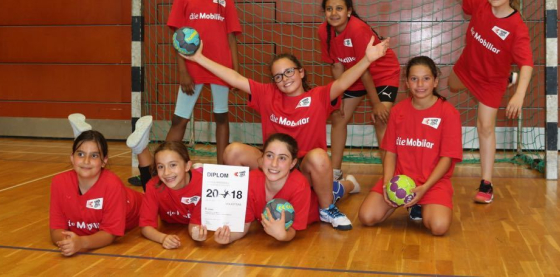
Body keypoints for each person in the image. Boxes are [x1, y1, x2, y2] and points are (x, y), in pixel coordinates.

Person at [179, 37, 390, 230]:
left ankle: (329, 206)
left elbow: (343, 82)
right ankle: (237, 205)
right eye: (278, 76)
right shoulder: (267, 94)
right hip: (273, 164)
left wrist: (367, 59)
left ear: (301, 72)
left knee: (319, 158)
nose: (284, 79)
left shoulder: (318, 97)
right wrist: (198, 58)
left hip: (304, 169)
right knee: (232, 151)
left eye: (289, 72)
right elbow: (234, 78)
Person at [443, 0, 533, 203]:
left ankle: (486, 183)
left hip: (491, 82)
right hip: (468, 66)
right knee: (451, 85)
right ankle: (509, 78)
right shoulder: (481, 3)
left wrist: (519, 94)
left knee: (485, 126)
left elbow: (527, 64)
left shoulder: (517, 27)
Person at [358, 56, 463, 236]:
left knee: (438, 227)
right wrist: (387, 184)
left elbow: (447, 159)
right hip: (400, 180)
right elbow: (390, 152)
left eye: (426, 78)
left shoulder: (448, 113)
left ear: (435, 81)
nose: (420, 84)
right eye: (414, 78)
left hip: (432, 183)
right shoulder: (398, 111)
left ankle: (419, 206)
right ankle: (409, 203)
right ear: (406, 83)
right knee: (367, 217)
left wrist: (425, 187)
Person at [211, 133, 358, 244]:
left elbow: (292, 230)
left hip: (313, 204)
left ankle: (350, 184)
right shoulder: (249, 182)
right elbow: (244, 224)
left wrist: (282, 236)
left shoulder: (299, 186)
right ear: (261, 159)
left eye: (282, 158)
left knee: (334, 191)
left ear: (293, 163)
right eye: (269, 156)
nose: (274, 164)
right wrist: (228, 237)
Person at [166, 0, 242, 164]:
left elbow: (231, 38)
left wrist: (235, 73)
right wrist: (183, 70)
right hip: (192, 67)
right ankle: (162, 166)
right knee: (179, 119)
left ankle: (222, 169)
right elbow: (178, 38)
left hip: (221, 68)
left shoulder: (226, 1)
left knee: (221, 117)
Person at [318, 0, 401, 180]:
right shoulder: (324, 32)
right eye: (329, 9)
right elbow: (336, 65)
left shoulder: (357, 29)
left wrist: (376, 103)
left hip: (382, 74)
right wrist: (339, 97)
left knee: (381, 118)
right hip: (356, 75)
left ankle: (389, 178)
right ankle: (335, 173)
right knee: (338, 117)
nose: (334, 13)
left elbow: (366, 69)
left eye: (339, 8)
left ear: (349, 11)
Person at [49, 129, 143, 256]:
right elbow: (56, 229)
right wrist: (68, 242)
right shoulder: (59, 183)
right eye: (80, 154)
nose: (86, 161)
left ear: (104, 161)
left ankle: (142, 148)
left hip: (143, 204)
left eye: (94, 156)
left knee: (154, 193)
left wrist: (81, 243)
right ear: (72, 157)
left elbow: (110, 234)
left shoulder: (113, 185)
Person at [125, 116, 206, 248]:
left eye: (173, 165)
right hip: (169, 219)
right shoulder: (153, 186)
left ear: (187, 166)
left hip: (200, 186)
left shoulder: (203, 187)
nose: (167, 172)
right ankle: (141, 148)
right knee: (152, 182)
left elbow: (194, 224)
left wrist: (196, 234)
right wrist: (162, 238)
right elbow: (146, 226)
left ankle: (200, 170)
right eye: (161, 167)